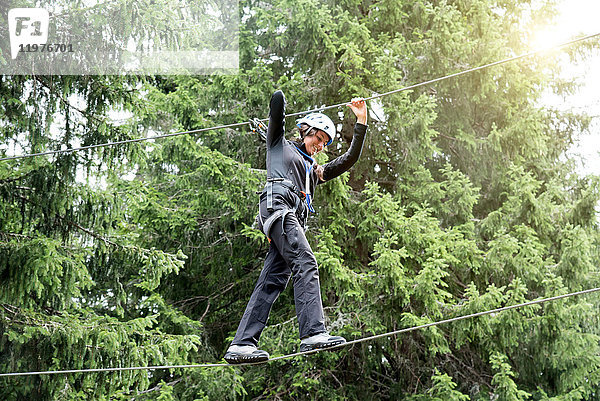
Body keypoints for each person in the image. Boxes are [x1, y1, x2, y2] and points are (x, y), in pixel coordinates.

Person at [224, 89, 368, 364]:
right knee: (306, 261)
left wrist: (361, 121)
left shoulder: (314, 170)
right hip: (278, 209)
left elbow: (349, 159)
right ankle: (313, 333)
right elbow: (277, 111)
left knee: (273, 280)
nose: (320, 144)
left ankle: (241, 344)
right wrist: (279, 98)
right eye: (318, 137)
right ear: (305, 131)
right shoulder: (279, 146)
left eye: (325, 142)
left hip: (287, 218)